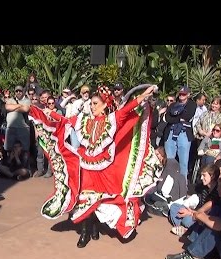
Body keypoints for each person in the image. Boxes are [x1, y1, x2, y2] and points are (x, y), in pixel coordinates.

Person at [21, 85, 161, 248]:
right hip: (85, 164)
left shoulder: (112, 119)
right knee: (84, 198)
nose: (92, 107)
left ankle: (94, 227)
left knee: (100, 199)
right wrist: (49, 113)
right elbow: (66, 121)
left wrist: (143, 95)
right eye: (92, 104)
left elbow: (129, 108)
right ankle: (85, 232)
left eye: (95, 103)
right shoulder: (84, 120)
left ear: (104, 105)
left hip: (104, 167)